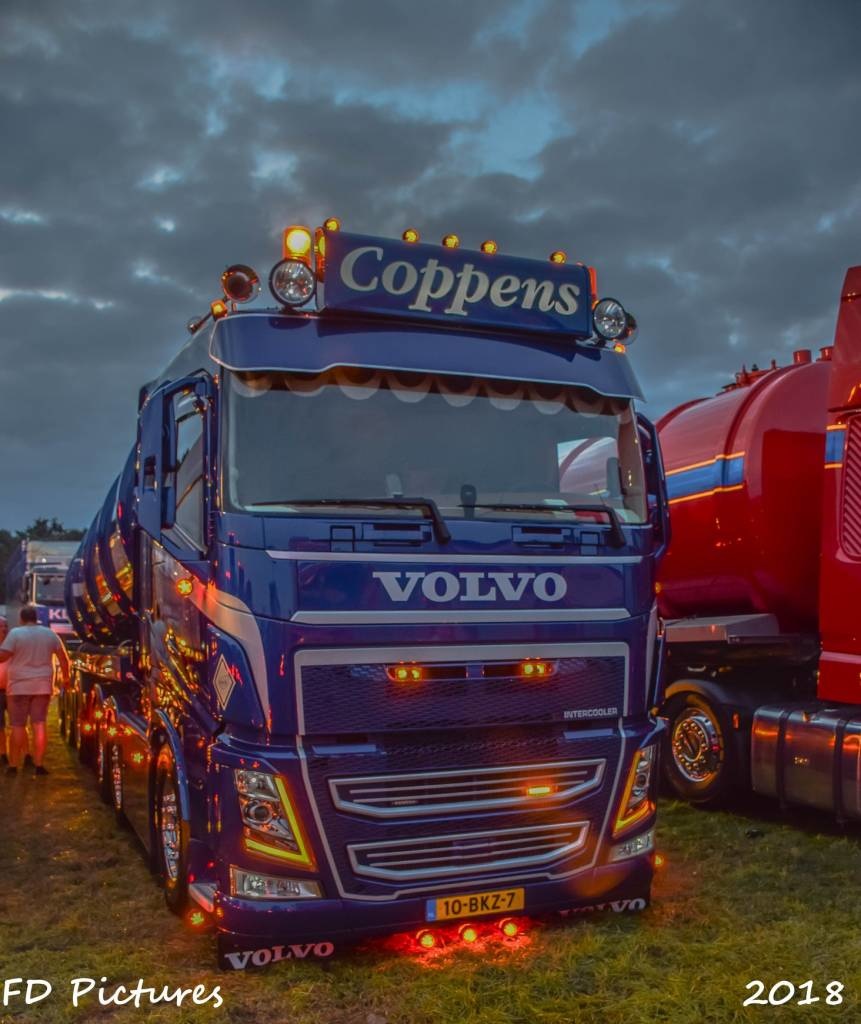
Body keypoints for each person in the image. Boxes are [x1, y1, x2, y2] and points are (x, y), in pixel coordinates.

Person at [0, 605, 70, 776]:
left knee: (17, 725)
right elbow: (63, 658)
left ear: (22, 618)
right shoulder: (49, 634)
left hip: (18, 687)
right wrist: (66, 679)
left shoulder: (15, 634)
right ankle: (39, 764)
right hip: (42, 686)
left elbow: (3, 656)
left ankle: (14, 765)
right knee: (39, 724)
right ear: (36, 617)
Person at [0, 615, 7, 766]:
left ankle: (26, 754)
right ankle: (3, 754)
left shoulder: (12, 644)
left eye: (5, 626)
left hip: (14, 690)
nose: (4, 629)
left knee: (19, 725)